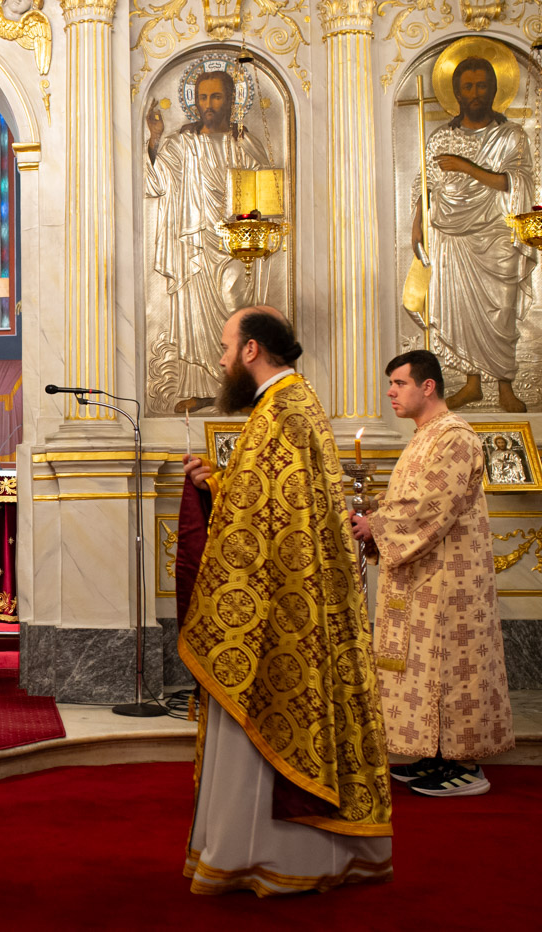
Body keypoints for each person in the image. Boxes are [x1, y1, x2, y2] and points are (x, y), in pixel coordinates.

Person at [178, 306, 392, 895]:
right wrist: (215, 485)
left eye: (226, 347)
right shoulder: (292, 404)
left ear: (251, 350)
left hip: (280, 610)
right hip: (297, 595)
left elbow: (265, 521)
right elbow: (270, 505)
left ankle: (270, 859)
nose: (222, 359)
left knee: (262, 721)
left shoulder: (281, 412)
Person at [350, 350, 515, 795]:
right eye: (390, 384)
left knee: (452, 669)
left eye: (399, 383)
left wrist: (375, 526)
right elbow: (410, 498)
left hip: (449, 582)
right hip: (423, 577)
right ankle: (434, 755)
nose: (390, 392)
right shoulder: (425, 435)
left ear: (428, 387)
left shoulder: (454, 436)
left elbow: (431, 504)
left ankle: (465, 766)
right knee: (425, 670)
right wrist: (374, 518)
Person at [413, 56, 535, 413]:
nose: (475, 93)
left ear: (494, 90)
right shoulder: (441, 137)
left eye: (482, 85)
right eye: (468, 87)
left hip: (498, 233)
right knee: (461, 312)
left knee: (501, 310)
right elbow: (425, 184)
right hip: (452, 236)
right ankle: (471, 385)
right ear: (457, 93)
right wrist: (417, 224)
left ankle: (505, 387)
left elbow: (516, 181)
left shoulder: (512, 136)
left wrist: (466, 167)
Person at [146, 65, 270, 413]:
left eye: (216, 96)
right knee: (196, 319)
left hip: (234, 244)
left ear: (230, 100)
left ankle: (241, 391)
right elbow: (156, 183)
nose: (208, 104)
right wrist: (155, 138)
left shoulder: (243, 142)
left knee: (235, 307)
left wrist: (255, 212)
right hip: (196, 244)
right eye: (202, 97)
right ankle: (204, 392)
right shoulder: (182, 143)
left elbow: (267, 189)